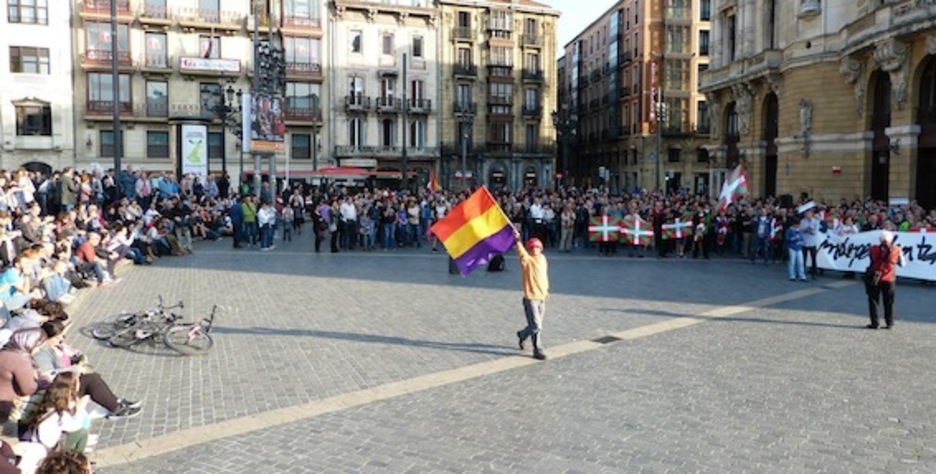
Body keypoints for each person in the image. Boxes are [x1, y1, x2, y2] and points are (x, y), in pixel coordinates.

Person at [512, 227, 549, 361]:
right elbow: (520, 251)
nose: (535, 250)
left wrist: (546, 292)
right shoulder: (527, 260)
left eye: (537, 247)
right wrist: (517, 239)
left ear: (541, 248)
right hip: (531, 298)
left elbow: (544, 277)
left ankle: (522, 334)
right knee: (537, 325)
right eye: (532, 248)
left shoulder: (543, 259)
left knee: (535, 325)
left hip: (542, 297)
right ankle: (537, 349)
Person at [866, 230, 905, 329]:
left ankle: (875, 323)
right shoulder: (896, 249)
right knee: (889, 302)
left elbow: (871, 260)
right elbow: (902, 264)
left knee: (873, 300)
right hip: (889, 278)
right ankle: (889, 323)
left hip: (875, 277)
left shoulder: (873, 248)